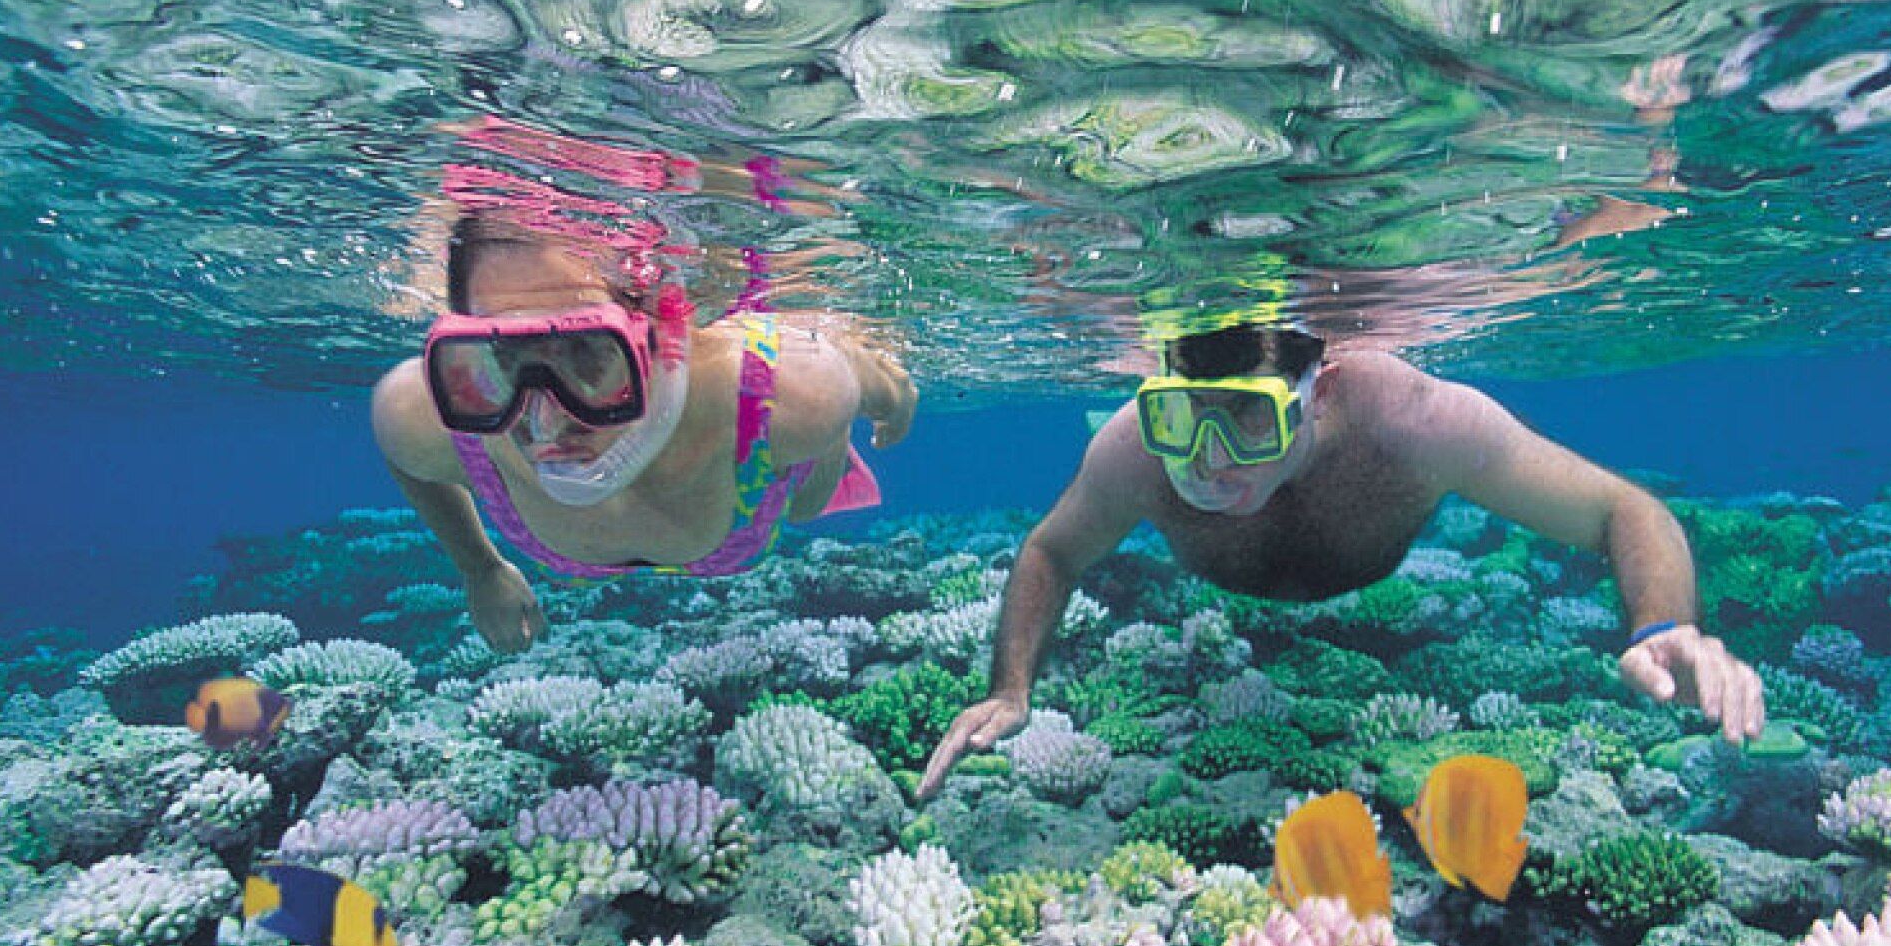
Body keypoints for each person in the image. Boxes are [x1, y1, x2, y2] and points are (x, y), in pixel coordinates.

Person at [917, 321, 1765, 799]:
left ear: (1313, 395)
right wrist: (1010, 688)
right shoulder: (1134, 451)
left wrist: (1664, 625)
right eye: (1183, 418)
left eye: (1247, 418)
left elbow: (1626, 508)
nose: (1209, 459)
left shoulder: (1413, 421)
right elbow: (1052, 550)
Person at [373, 211, 916, 654]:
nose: (547, 419)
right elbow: (403, 459)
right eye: (501, 353)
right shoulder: (429, 410)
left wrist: (894, 401)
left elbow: (884, 389)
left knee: (806, 496)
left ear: (658, 335)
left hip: (771, 447)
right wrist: (479, 567)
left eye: (586, 349)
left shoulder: (794, 397)